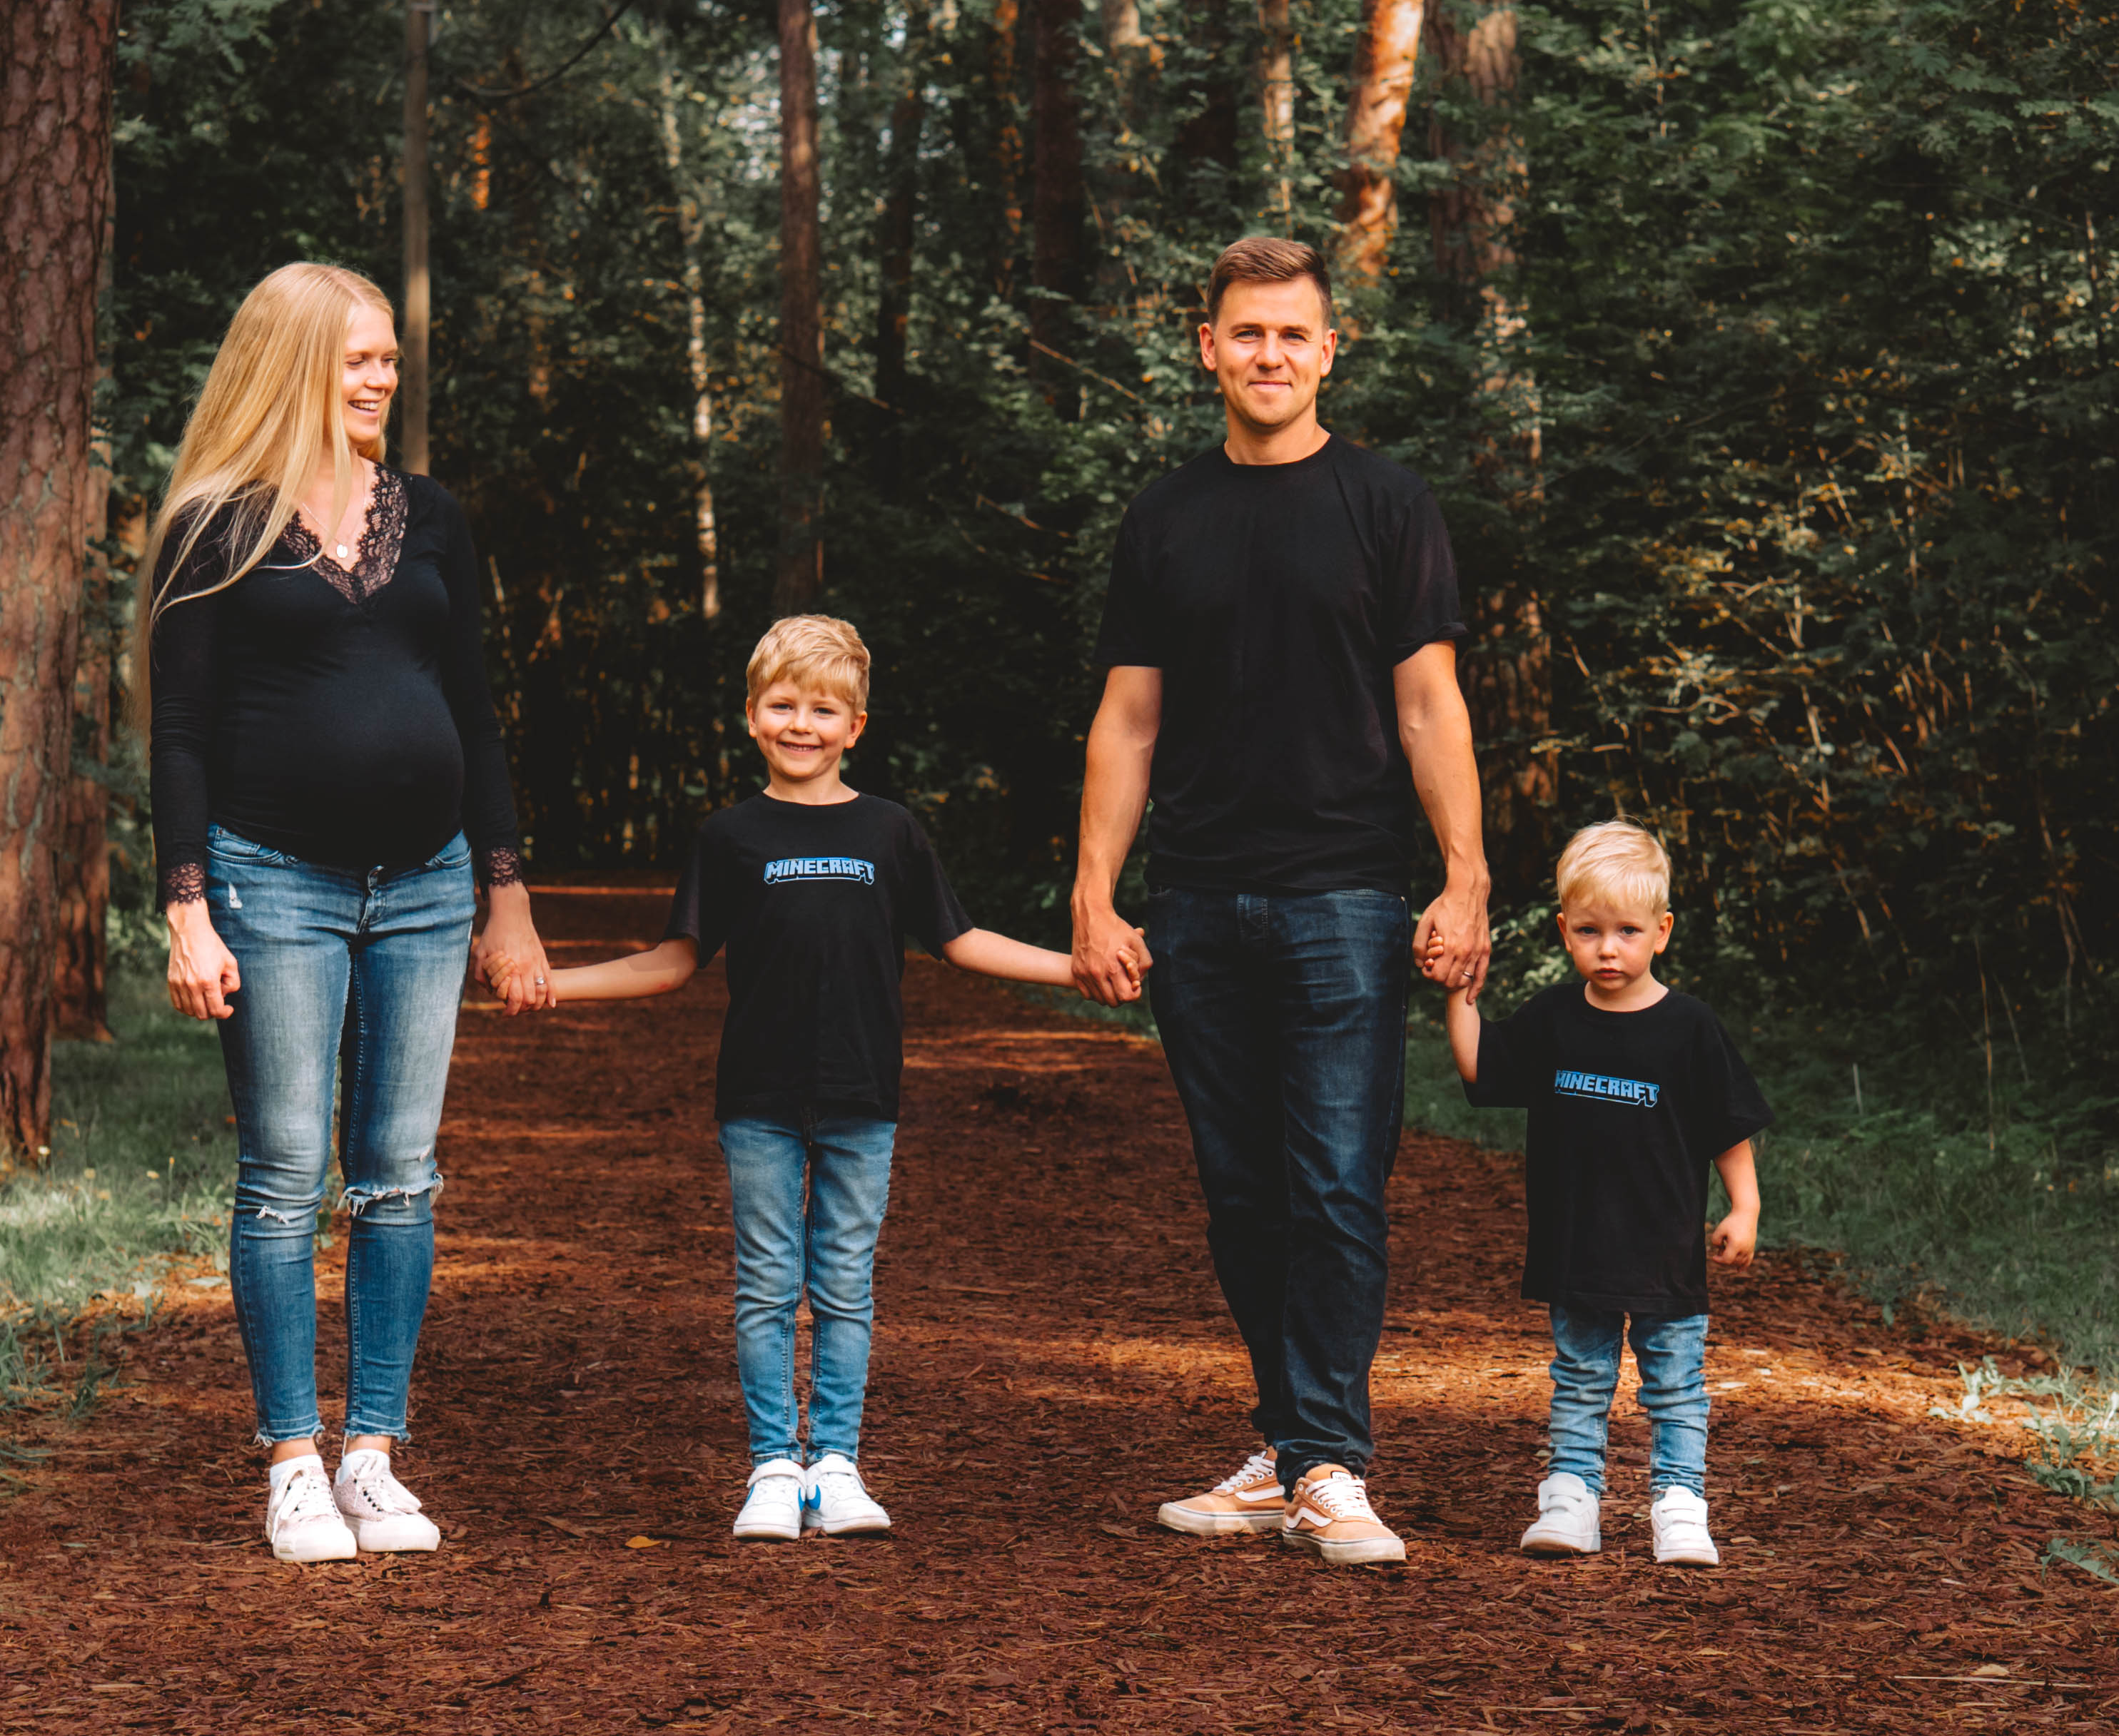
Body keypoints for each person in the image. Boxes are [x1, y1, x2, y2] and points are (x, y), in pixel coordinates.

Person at [1070, 236, 1490, 1564]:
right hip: (1196, 901)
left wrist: (1465, 873)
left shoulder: (1386, 502)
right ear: (1208, 347)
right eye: (1245, 334)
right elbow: (1127, 722)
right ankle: (1291, 1444)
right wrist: (1096, 891)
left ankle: (1330, 1462)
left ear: (1329, 349)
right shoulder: (1164, 516)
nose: (1269, 356)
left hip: (1347, 898)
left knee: (1336, 1186)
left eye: (1293, 336)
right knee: (1245, 1192)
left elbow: (1430, 705)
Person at [146, 262, 552, 1565]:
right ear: (291, 363)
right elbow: (180, 733)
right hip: (272, 883)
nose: (383, 379)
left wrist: (509, 895)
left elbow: (478, 709)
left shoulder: (429, 515)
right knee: (282, 1180)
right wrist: (186, 911)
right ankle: (291, 1460)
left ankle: (374, 1452)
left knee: (399, 1178)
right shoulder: (217, 521)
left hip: (428, 886)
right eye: (358, 359)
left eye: (389, 359)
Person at [519, 616, 1081, 1541]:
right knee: (768, 1286)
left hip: (863, 1095)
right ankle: (774, 1466)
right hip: (759, 1100)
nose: (802, 724)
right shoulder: (730, 835)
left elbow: (961, 939)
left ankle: (838, 1466)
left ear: (855, 725)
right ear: (751, 716)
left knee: (848, 1287)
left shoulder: (892, 831)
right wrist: (553, 984)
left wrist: (1076, 967)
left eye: (823, 709)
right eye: (783, 705)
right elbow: (670, 962)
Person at [1443, 822, 1768, 1567]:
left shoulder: (1689, 1028)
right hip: (1576, 1244)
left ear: (1662, 931)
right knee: (1581, 1376)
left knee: (1676, 1385)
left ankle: (1680, 1504)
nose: (1609, 948)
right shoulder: (1554, 1020)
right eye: (1589, 931)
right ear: (1564, 931)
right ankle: (1571, 1496)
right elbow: (1481, 1067)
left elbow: (1730, 1125)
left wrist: (1743, 1207)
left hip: (1666, 1249)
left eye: (1627, 930)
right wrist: (1462, 990)